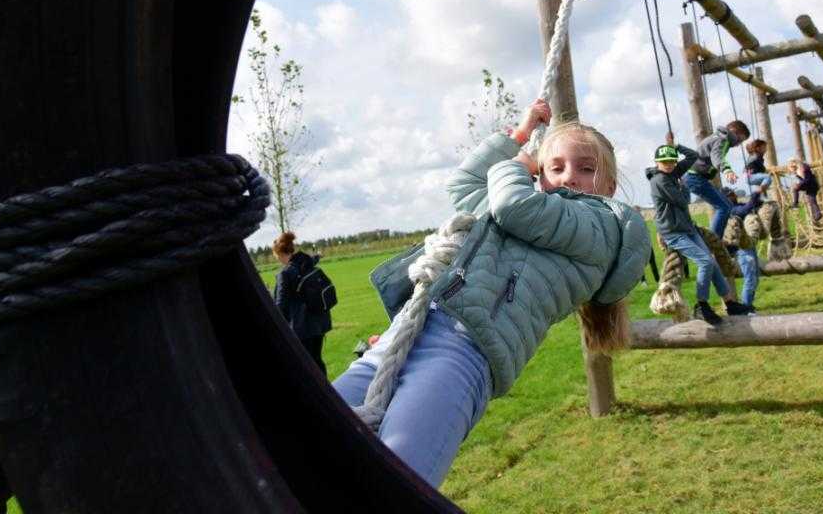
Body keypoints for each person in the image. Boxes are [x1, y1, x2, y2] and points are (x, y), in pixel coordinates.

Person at [332, 100, 650, 487]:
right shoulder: (532, 210)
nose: (569, 177)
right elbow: (464, 187)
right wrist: (517, 136)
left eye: (586, 169)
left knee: (396, 476)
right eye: (557, 167)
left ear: (610, 186)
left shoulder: (602, 225)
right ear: (542, 175)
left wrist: (519, 165)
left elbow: (512, 204)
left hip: (464, 351)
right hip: (407, 333)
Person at [647, 132, 753, 326]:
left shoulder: (673, 174)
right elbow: (683, 200)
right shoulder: (659, 181)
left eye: (672, 161)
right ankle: (701, 306)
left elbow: (694, 156)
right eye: (665, 162)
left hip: (688, 228)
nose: (669, 165)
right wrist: (684, 184)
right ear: (657, 162)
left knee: (710, 262)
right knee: (705, 261)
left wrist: (676, 145)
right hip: (674, 233)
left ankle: (730, 303)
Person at [272, 231, 333, 375]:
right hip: (320, 320)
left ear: (279, 253)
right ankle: (327, 391)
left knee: (307, 366)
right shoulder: (306, 261)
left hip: (303, 327)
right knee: (317, 360)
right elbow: (314, 259)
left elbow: (280, 304)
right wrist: (318, 255)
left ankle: (319, 394)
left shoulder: (284, 274)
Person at [683, 120, 751, 238]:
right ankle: (714, 242)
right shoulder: (723, 139)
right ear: (734, 132)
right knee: (723, 207)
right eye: (740, 140)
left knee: (727, 206)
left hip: (693, 177)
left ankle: (718, 238)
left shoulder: (718, 136)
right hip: (694, 178)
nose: (738, 144)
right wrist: (727, 170)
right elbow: (717, 156)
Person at [722, 187, 762, 311]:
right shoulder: (730, 210)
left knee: (755, 278)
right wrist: (755, 193)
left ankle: (748, 305)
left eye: (733, 193)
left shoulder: (737, 205)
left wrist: (757, 199)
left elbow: (753, 205)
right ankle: (746, 307)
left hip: (749, 245)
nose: (734, 195)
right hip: (742, 249)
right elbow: (744, 210)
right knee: (750, 279)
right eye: (731, 194)